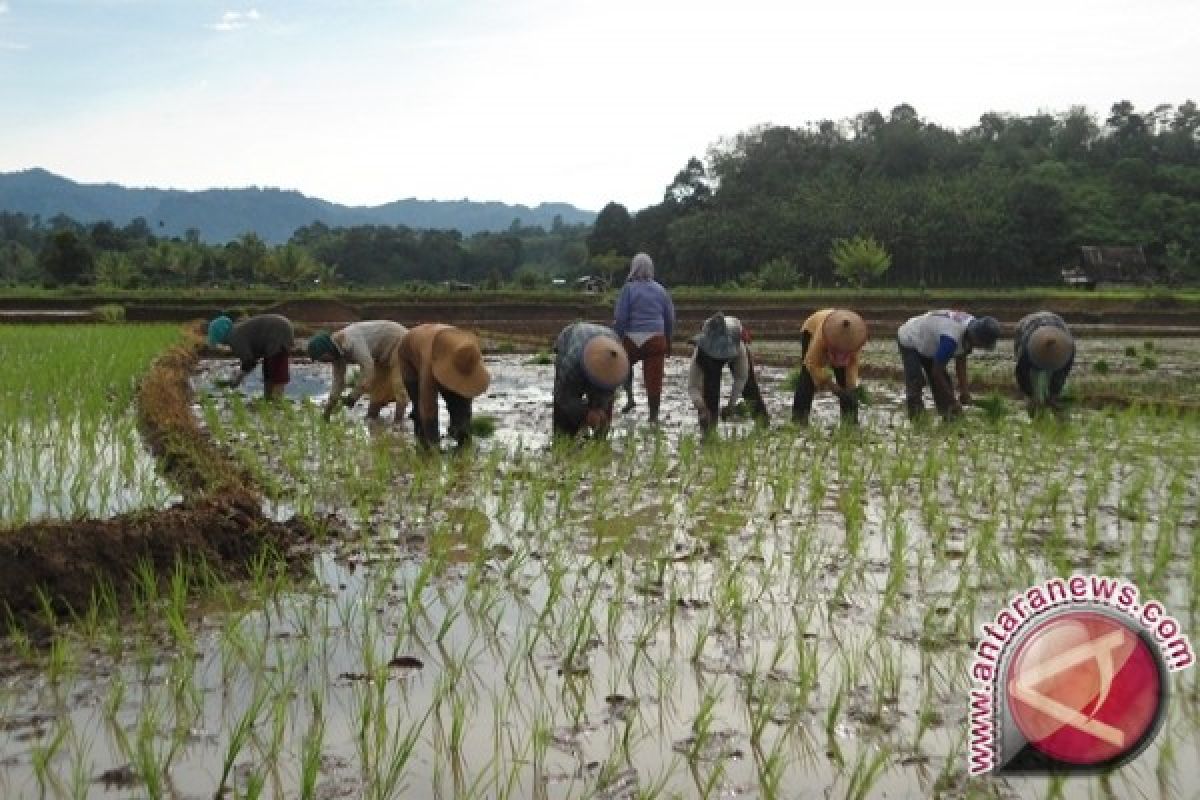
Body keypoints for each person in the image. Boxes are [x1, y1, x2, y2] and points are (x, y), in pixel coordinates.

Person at [396, 324, 490, 448]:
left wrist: (463, 431)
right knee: (420, 408)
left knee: (461, 405)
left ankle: (460, 437)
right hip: (410, 354)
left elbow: (466, 394)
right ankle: (424, 445)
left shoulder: (469, 351)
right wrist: (434, 445)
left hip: (442, 342)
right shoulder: (428, 361)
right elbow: (428, 405)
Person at [896, 310, 1001, 419]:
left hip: (930, 341)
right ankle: (917, 420)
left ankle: (950, 416)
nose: (981, 347)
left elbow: (961, 362)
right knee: (915, 381)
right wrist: (953, 400)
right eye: (982, 344)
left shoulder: (970, 330)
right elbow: (936, 372)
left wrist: (964, 391)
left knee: (944, 384)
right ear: (976, 338)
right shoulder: (951, 338)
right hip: (911, 337)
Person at [613, 252, 675, 423]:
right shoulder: (661, 290)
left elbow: (621, 317)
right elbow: (670, 318)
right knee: (654, 378)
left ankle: (630, 396)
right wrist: (668, 341)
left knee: (624, 365)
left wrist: (617, 339)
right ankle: (653, 416)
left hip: (632, 339)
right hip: (656, 339)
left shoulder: (628, 289)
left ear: (634, 268)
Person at [307, 321, 410, 423]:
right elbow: (338, 382)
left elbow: (368, 369)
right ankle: (373, 420)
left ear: (328, 349)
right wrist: (328, 410)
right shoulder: (336, 356)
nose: (324, 361)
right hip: (381, 355)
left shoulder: (351, 341)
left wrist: (354, 396)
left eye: (323, 358)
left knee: (399, 385)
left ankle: (398, 424)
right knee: (377, 392)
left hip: (398, 341)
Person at [687, 312, 768, 434]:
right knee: (710, 388)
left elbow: (741, 378)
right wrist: (701, 407)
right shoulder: (702, 351)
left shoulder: (738, 346)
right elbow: (693, 386)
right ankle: (709, 428)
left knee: (749, 387)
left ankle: (762, 422)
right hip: (710, 357)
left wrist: (730, 406)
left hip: (735, 347)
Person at [551, 322, 630, 439]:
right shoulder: (571, 362)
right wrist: (586, 414)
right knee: (564, 417)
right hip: (570, 339)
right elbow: (562, 395)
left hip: (607, 339)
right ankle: (563, 438)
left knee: (602, 413)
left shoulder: (619, 364)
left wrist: (600, 409)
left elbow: (608, 394)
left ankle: (599, 438)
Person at [792, 309, 868, 426]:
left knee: (844, 382)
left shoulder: (855, 340)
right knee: (807, 377)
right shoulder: (821, 337)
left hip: (838, 335)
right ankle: (799, 419)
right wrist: (833, 387)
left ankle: (850, 422)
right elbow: (811, 364)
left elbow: (852, 366)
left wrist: (850, 388)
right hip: (812, 328)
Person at [206, 313, 295, 400]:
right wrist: (240, 374)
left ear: (221, 337)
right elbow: (251, 359)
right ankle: (268, 399)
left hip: (278, 333)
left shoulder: (234, 338)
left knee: (277, 373)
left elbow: (249, 361)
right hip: (275, 331)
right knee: (268, 372)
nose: (221, 344)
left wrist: (238, 377)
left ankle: (277, 402)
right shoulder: (236, 332)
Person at [1013, 311, 1075, 414]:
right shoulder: (1026, 349)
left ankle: (1050, 398)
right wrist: (1030, 394)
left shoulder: (1069, 348)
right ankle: (1034, 406)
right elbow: (1021, 374)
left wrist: (1054, 393)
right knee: (1032, 383)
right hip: (1027, 324)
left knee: (1054, 391)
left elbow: (1062, 373)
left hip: (1056, 322)